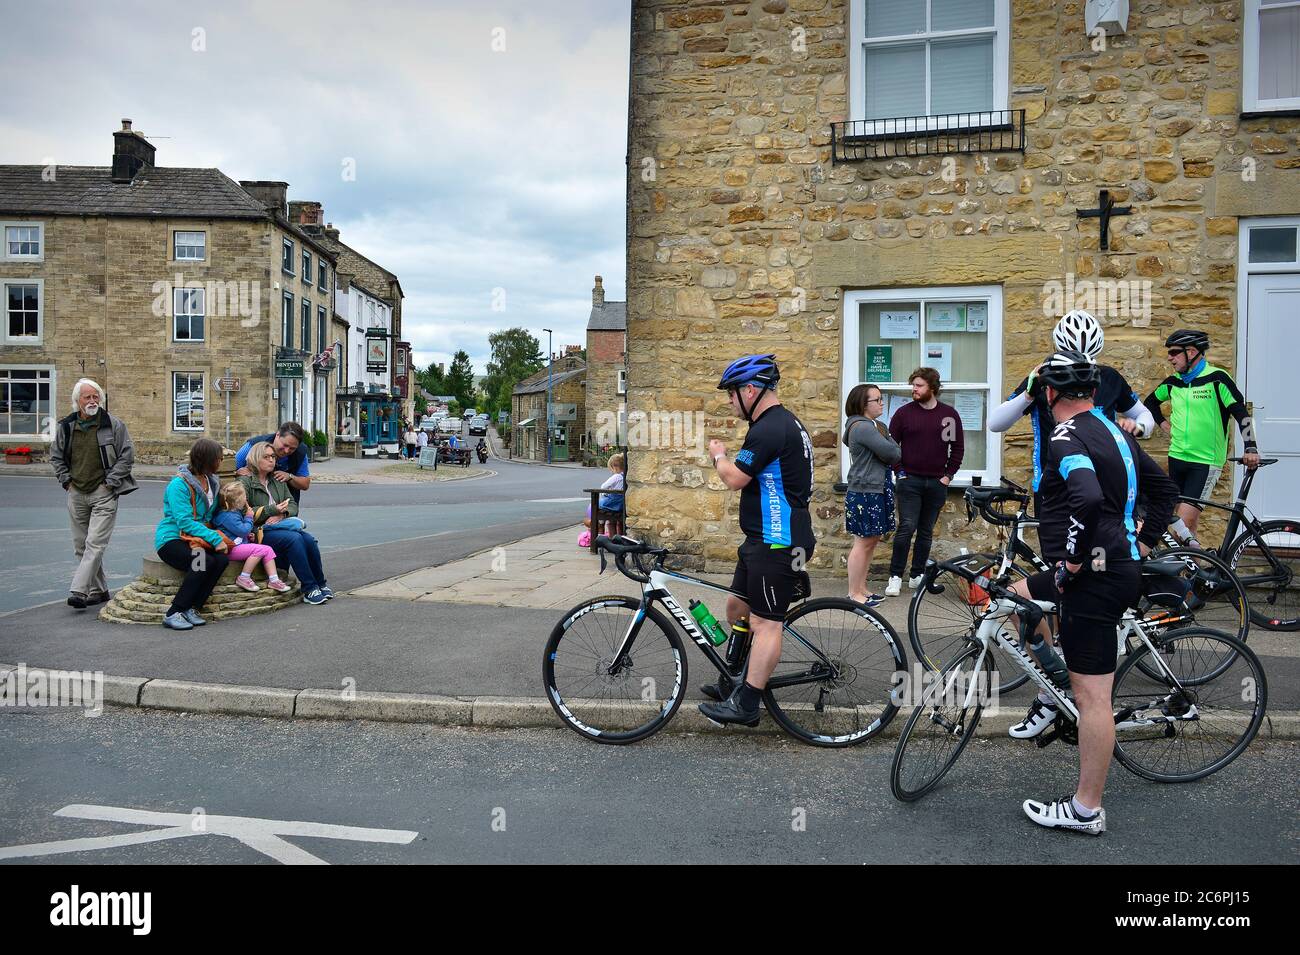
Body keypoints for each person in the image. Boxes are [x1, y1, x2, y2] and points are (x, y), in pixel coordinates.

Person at [1004, 351, 1177, 834]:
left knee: (1094, 697)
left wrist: (1074, 562)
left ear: (1051, 394)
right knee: (1016, 598)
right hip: (1116, 565)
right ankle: (1049, 691)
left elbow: (1087, 497)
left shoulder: (1065, 436)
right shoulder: (1116, 434)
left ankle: (1085, 809)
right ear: (1094, 394)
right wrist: (1141, 541)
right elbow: (1165, 493)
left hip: (1092, 577)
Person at [698, 354, 815, 727]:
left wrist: (718, 456)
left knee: (766, 624)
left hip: (777, 540)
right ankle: (730, 679)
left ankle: (747, 703)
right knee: (737, 607)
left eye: (732, 394)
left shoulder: (769, 428)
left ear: (752, 390)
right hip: (763, 538)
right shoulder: (780, 423)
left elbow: (735, 478)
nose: (730, 402)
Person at [990, 310, 1155, 514]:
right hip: (1053, 484)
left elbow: (1145, 415)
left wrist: (1138, 428)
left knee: (1104, 542)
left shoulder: (1110, 378)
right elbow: (995, 423)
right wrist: (1028, 395)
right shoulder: (1044, 377)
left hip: (1106, 482)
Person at [1143, 329, 1259, 547]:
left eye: (1175, 352)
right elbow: (1149, 404)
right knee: (1186, 527)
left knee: (1182, 525)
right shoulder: (1174, 382)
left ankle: (1178, 577)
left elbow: (1241, 413)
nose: (1170, 357)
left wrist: (1251, 447)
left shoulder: (1217, 378)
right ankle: (1194, 576)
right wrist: (1164, 424)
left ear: (1192, 352)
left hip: (1204, 462)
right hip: (1177, 458)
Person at [51, 378, 137, 609]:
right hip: (76, 492)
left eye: (95, 396)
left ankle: (79, 591)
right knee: (81, 546)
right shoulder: (67, 426)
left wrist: (110, 483)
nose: (92, 401)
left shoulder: (113, 425)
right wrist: (66, 481)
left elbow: (126, 456)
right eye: (87, 397)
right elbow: (56, 457)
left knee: (94, 543)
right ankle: (99, 591)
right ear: (77, 401)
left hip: (104, 492)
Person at [884, 367, 964, 597]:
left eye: (919, 386)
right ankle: (895, 576)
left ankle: (916, 574)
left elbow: (957, 448)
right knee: (906, 527)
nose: (914, 390)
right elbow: (890, 447)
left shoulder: (949, 416)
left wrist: (948, 476)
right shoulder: (903, 414)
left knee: (926, 531)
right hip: (909, 481)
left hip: (937, 483)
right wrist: (899, 472)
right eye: (913, 385)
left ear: (932, 388)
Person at [241, 440, 331, 606]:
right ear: (255, 458)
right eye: (266, 457)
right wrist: (273, 510)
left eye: (273, 457)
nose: (271, 460)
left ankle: (321, 583)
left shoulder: (277, 479)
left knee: (309, 539)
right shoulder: (245, 482)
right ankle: (309, 588)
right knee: (294, 539)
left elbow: (292, 504)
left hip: (280, 525)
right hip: (258, 531)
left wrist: (282, 515)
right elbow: (243, 512)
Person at [154, 437, 230, 631]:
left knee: (221, 560)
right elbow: (184, 521)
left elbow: (212, 515)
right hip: (172, 539)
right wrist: (214, 538)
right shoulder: (178, 485)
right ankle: (173, 612)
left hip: (198, 538)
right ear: (207, 459)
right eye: (219, 458)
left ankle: (193, 608)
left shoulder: (211, 481)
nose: (221, 462)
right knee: (202, 561)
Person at [843, 383, 900, 607]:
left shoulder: (877, 425)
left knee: (871, 541)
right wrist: (889, 442)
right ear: (862, 404)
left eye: (881, 398)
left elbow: (892, 451)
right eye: (876, 400)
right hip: (865, 491)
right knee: (863, 542)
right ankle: (853, 593)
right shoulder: (863, 427)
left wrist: (888, 440)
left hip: (876, 488)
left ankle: (862, 588)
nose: (881, 403)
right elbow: (892, 453)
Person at [212, 483, 291, 593]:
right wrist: (249, 517)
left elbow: (238, 532)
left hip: (238, 545)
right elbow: (243, 530)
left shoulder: (233, 513)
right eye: (244, 497)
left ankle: (274, 580)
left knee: (267, 550)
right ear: (238, 501)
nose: (246, 499)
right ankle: (244, 577)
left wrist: (248, 537)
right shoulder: (227, 516)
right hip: (231, 549)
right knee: (262, 549)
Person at [233, 422, 311, 503]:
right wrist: (239, 472)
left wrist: (290, 477)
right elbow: (228, 469)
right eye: (285, 445)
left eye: (292, 448)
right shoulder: (253, 445)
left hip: (285, 506)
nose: (286, 451)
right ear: (277, 434)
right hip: (253, 504)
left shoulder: (300, 452)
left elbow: (305, 484)